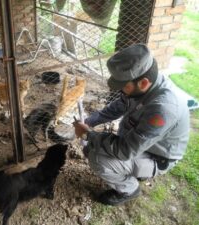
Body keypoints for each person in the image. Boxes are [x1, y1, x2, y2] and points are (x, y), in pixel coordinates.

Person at [73, 43, 190, 206]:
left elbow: (125, 150)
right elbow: (119, 106)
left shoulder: (163, 109)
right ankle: (129, 170)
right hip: (140, 142)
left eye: (123, 86)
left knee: (97, 158)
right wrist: (90, 121)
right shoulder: (144, 85)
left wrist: (88, 135)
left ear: (143, 83)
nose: (121, 91)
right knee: (93, 147)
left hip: (156, 156)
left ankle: (129, 189)